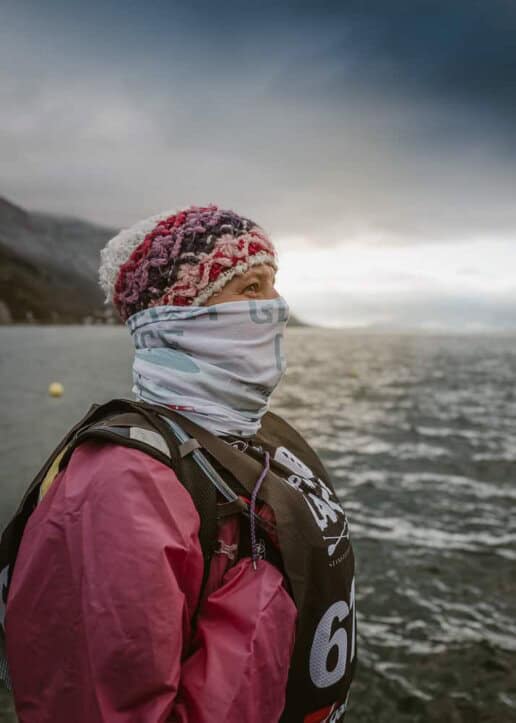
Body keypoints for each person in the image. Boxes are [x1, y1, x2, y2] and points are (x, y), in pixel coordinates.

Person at [2, 205, 356, 722]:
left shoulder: (249, 440)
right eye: (251, 287)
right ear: (178, 314)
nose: (277, 307)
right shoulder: (122, 483)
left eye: (273, 284)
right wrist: (263, 589)